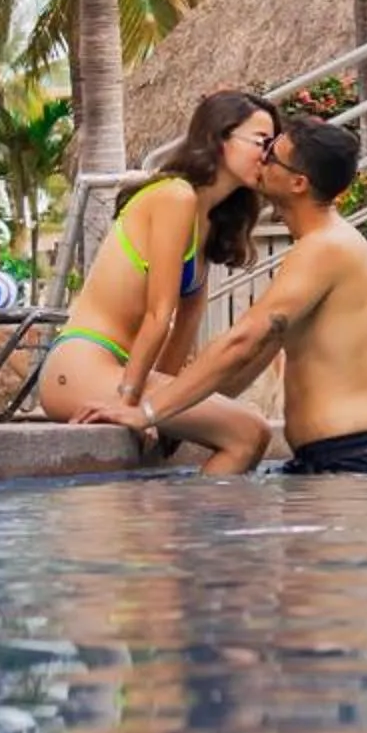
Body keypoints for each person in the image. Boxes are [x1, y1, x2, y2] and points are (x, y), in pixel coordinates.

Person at [81, 116, 367, 476]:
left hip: (348, 465)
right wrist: (178, 416)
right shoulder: (323, 246)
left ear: (298, 183)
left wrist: (148, 411)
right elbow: (253, 357)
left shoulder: (325, 247)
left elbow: (243, 340)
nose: (261, 159)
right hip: (334, 460)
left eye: (272, 156)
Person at [40, 88, 277, 475]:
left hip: (120, 370)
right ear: (220, 137)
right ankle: (192, 533)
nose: (267, 155)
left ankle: (182, 529)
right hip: (81, 365)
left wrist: (164, 403)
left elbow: (185, 326)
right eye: (261, 142)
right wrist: (133, 402)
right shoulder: (175, 197)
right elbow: (159, 314)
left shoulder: (209, 220)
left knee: (250, 429)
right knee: (248, 432)